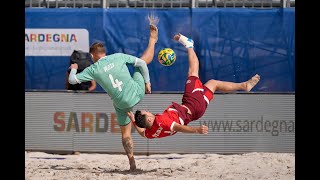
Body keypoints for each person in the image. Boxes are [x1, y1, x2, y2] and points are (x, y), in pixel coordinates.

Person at [127, 33, 261, 138]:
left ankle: (244, 86)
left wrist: (134, 120)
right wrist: (196, 130)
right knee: (193, 73)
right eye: (147, 112)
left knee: (213, 84)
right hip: (191, 105)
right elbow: (178, 127)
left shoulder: (151, 132)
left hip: (197, 112)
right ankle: (189, 44)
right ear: (149, 118)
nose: (149, 111)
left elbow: (142, 133)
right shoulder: (161, 121)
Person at [68, 16, 159, 171]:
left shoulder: (92, 69)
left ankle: (132, 162)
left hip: (122, 103)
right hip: (138, 91)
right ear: (104, 53)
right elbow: (142, 64)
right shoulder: (118, 56)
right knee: (141, 62)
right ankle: (153, 40)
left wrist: (74, 68)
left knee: (125, 134)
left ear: (92, 56)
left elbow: (72, 80)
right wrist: (147, 82)